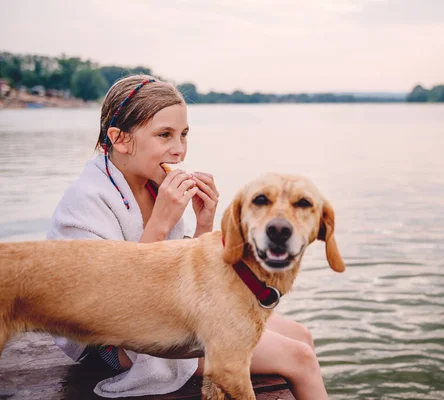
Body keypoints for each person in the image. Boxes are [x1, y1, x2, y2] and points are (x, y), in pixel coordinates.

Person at [47, 74, 328, 399]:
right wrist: (161, 223)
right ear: (120, 139)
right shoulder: (86, 200)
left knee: (301, 335)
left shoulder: (153, 187)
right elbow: (105, 299)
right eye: (164, 135)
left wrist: (203, 225)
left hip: (170, 313)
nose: (179, 150)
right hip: (113, 340)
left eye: (183, 135)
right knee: (299, 358)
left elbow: (183, 276)